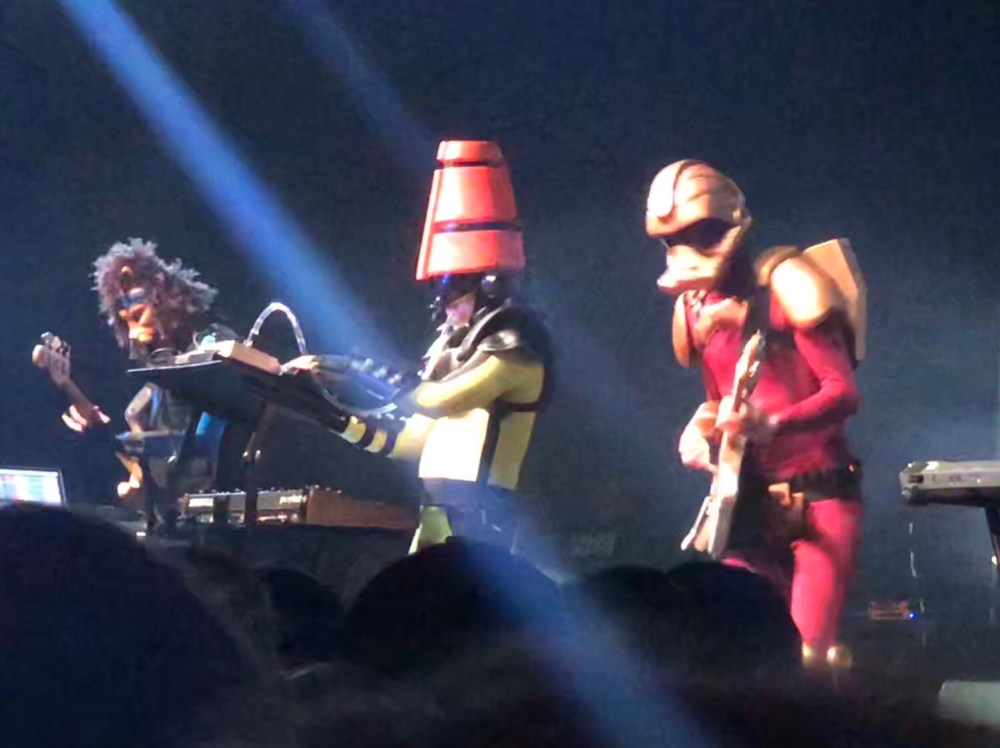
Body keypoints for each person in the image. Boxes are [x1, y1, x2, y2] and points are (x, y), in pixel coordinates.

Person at [644, 159, 865, 668]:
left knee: (808, 655)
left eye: (701, 233)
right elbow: (719, 399)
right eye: (674, 238)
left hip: (821, 495)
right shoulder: (692, 309)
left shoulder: (788, 285)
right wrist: (704, 430)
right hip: (749, 503)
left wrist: (774, 425)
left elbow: (843, 394)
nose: (688, 249)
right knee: (742, 649)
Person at [287, 141, 553, 553]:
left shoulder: (513, 353)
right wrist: (326, 410)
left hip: (483, 521)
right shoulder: (454, 350)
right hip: (437, 514)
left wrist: (355, 369)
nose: (442, 307)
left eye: (450, 292)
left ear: (489, 286)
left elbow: (438, 400)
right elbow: (408, 441)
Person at [62, 238, 235, 523]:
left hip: (213, 518)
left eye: (138, 316)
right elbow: (153, 475)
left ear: (164, 297)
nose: (133, 334)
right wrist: (102, 432)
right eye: (126, 322)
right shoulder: (154, 387)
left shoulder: (212, 343)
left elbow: (204, 447)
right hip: (171, 522)